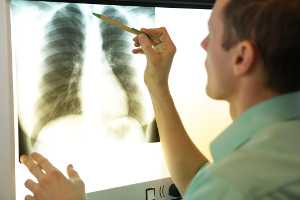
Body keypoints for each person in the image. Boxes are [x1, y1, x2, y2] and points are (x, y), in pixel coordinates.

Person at [21, 0, 300, 199]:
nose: (203, 44)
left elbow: (219, 187)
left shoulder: (235, 186)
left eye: (212, 32)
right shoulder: (281, 148)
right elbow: (200, 184)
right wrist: (157, 83)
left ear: (241, 57)